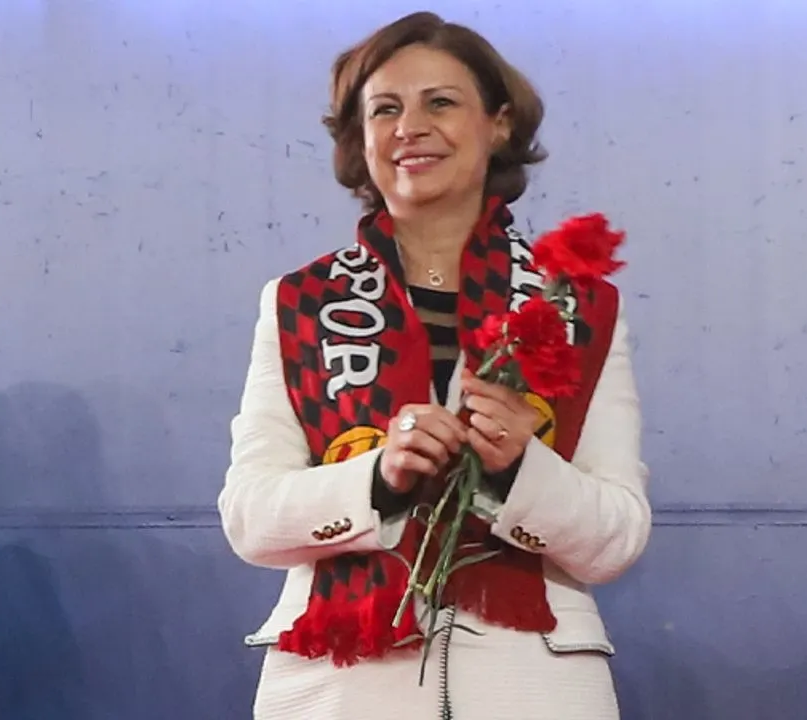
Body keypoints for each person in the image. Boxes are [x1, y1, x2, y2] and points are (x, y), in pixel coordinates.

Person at [218, 11, 650, 719]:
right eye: (384, 109)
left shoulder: (577, 307)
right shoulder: (300, 302)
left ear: (499, 124)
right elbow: (250, 518)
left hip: (533, 685)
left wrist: (517, 467)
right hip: (339, 688)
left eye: (440, 103)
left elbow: (617, 537)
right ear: (360, 137)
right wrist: (377, 479)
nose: (409, 128)